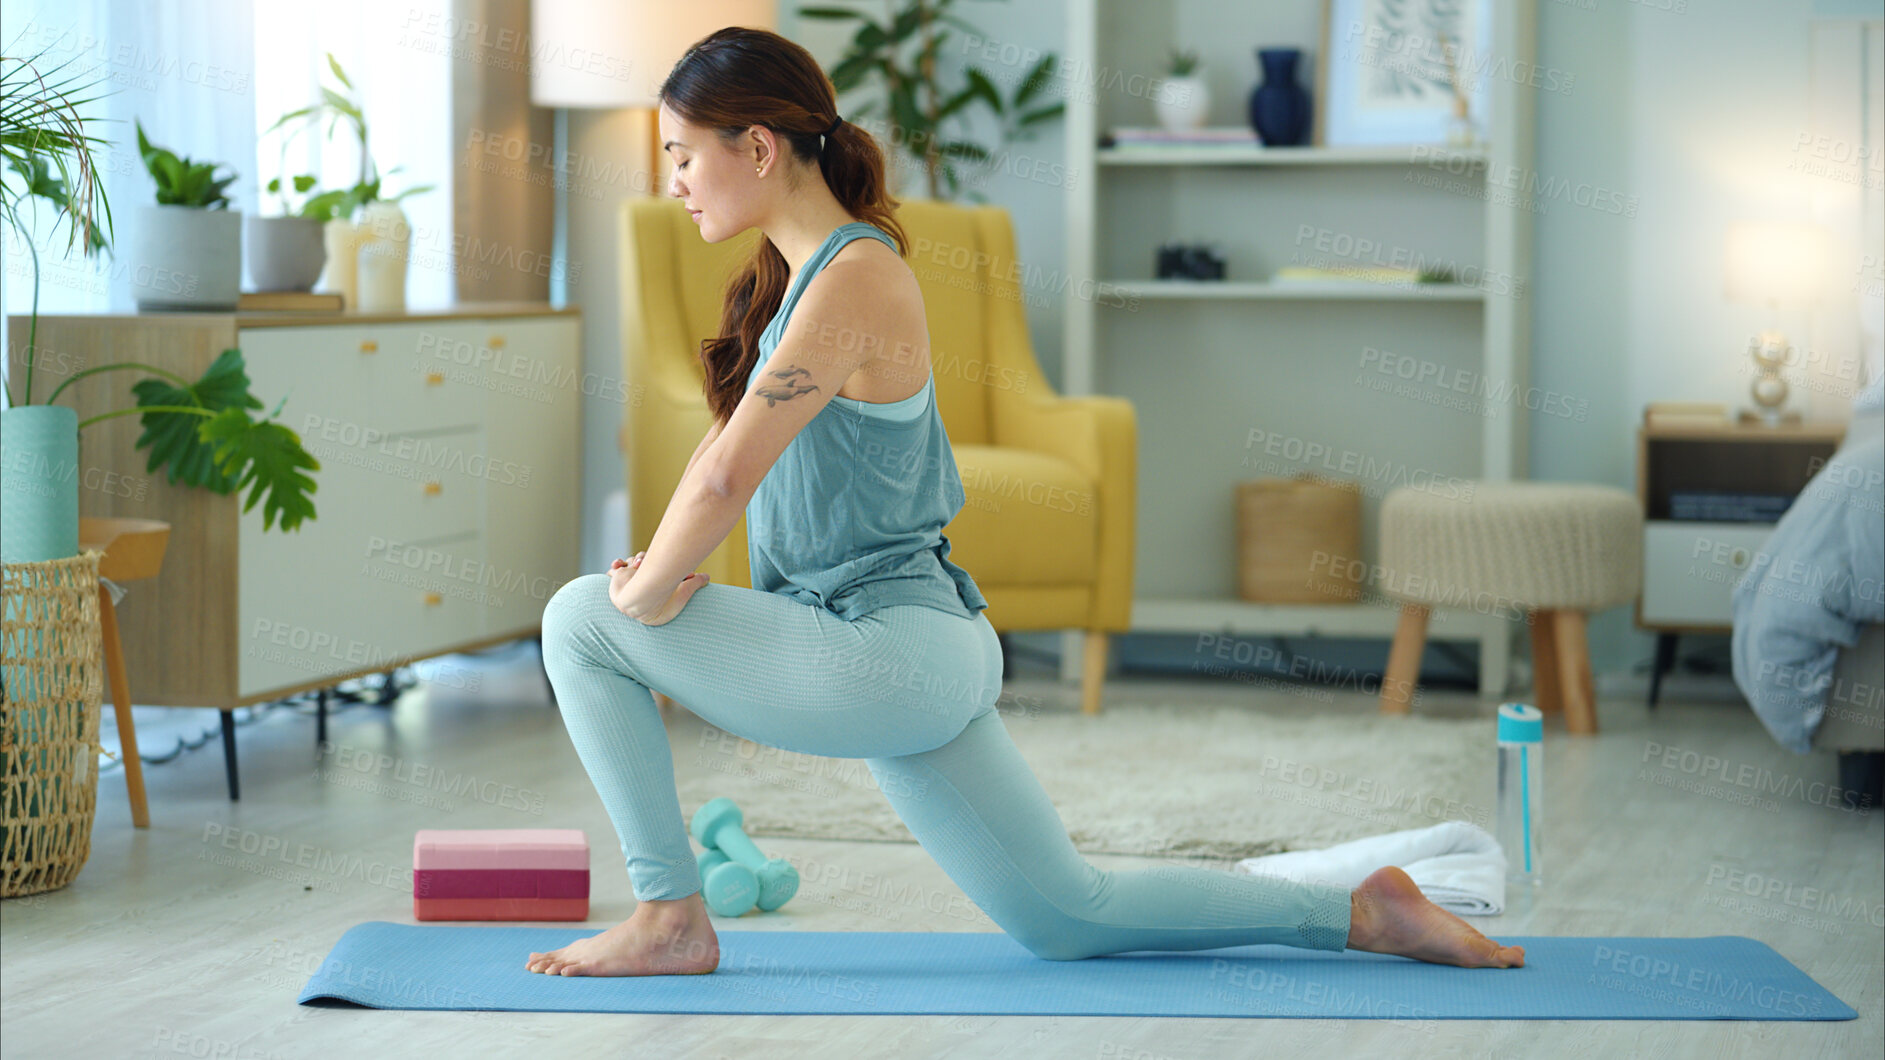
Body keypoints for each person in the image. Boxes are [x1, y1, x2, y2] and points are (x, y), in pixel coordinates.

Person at [528, 26, 1524, 978]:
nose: (672, 181)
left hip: (888, 652)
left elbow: (721, 480)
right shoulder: (795, 283)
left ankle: (667, 915)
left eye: (682, 154)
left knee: (579, 619)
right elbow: (723, 451)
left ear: (755, 146)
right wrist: (654, 575)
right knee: (1066, 913)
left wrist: (645, 595)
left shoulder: (855, 276)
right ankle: (1362, 911)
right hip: (913, 651)